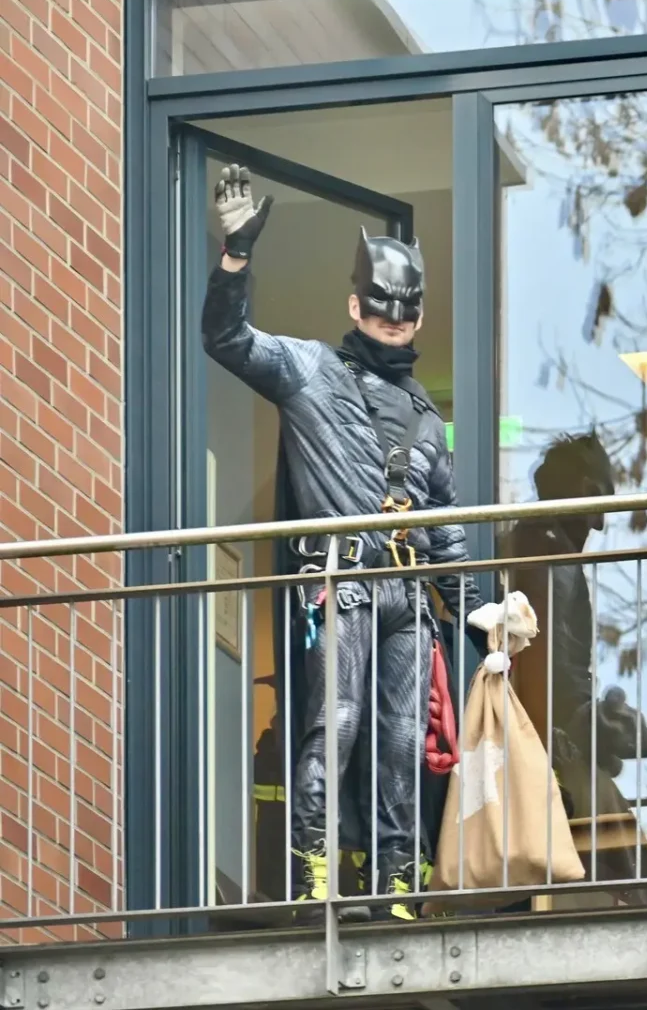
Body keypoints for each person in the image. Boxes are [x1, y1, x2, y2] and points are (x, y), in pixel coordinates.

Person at [201, 165, 485, 919]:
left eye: (406, 313)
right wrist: (235, 258)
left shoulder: (427, 416)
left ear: (419, 318)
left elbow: (443, 522)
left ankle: (399, 888)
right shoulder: (310, 371)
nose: (394, 322)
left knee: (399, 747)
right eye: (383, 309)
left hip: (404, 600)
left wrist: (477, 615)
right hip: (343, 584)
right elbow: (227, 339)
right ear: (356, 305)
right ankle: (316, 879)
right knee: (336, 728)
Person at [498, 432, 647, 902]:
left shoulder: (537, 547)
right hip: (550, 749)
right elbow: (539, 659)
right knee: (631, 877)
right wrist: (568, 726)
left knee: (621, 862)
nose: (602, 515)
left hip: (551, 740)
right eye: (599, 493)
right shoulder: (546, 554)